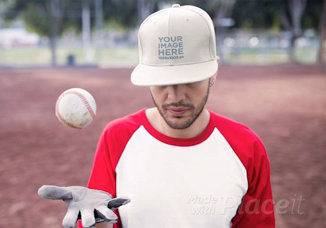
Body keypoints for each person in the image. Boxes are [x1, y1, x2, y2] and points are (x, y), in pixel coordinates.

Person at [38, 4, 275, 228]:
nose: (174, 96)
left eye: (189, 79)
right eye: (161, 81)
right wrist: (94, 222)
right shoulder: (118, 137)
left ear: (214, 72)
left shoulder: (247, 147)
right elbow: (103, 221)